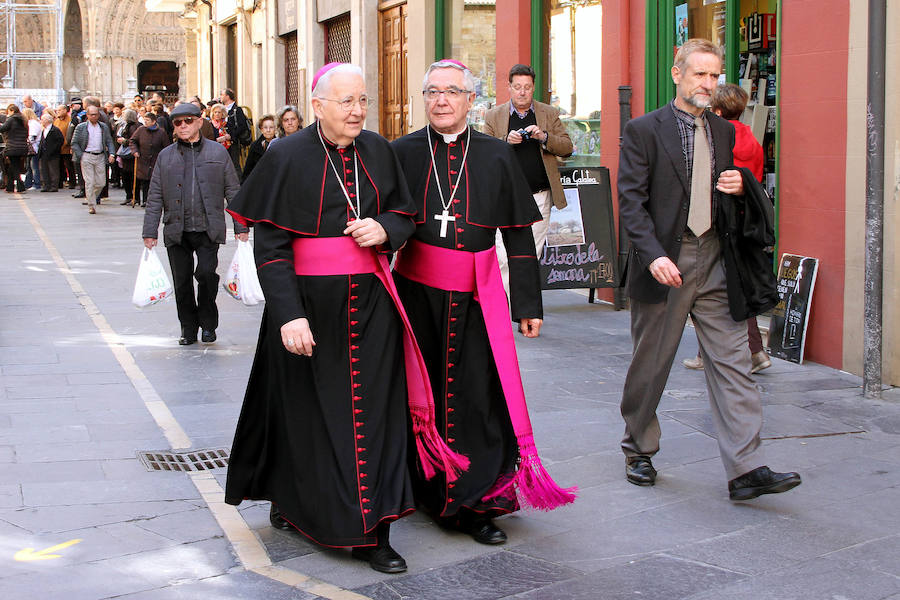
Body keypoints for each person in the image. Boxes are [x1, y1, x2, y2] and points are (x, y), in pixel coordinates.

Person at [223, 63, 463, 575]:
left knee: (374, 416)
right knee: (305, 415)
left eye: (362, 101)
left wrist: (386, 229)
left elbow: (405, 213)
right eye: (346, 101)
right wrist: (288, 315)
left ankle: (373, 531)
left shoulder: (378, 149)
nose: (357, 111)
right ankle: (293, 499)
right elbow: (270, 245)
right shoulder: (285, 155)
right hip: (307, 310)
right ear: (318, 106)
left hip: (374, 306)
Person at [391, 59, 576, 545]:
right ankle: (422, 488)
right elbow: (385, 224)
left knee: (476, 395)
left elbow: (517, 235)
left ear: (471, 100)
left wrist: (528, 306)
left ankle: (474, 501)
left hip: (476, 298)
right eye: (432, 92)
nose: (441, 101)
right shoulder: (403, 152)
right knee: (417, 393)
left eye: (451, 92)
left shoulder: (496, 156)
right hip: (415, 297)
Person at [616, 39, 800, 501]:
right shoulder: (643, 130)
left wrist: (739, 186)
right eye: (700, 74)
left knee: (734, 364)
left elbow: (715, 189)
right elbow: (631, 202)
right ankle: (638, 448)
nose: (709, 84)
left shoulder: (723, 131)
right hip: (665, 263)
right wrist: (653, 254)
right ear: (677, 74)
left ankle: (746, 467)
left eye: (715, 76)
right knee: (651, 363)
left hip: (716, 260)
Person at [141, 103, 249, 345]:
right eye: (178, 123)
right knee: (182, 282)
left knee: (206, 275)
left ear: (200, 122)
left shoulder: (218, 153)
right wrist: (150, 231)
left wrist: (241, 226)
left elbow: (233, 190)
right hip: (176, 228)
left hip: (208, 227)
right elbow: (155, 194)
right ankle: (188, 329)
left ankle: (208, 325)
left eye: (188, 121)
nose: (183, 126)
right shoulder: (166, 156)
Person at [683, 82, 771, 374]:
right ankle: (755, 351)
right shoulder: (754, 142)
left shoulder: (719, 138)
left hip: (721, 222)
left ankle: (708, 353)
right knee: (734, 287)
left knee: (708, 288)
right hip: (745, 220)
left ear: (717, 110)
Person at [484, 64, 574, 292]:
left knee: (529, 255)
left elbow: (566, 147)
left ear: (533, 88)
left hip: (539, 195)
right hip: (505, 196)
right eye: (517, 87)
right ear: (509, 88)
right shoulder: (494, 116)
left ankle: (526, 310)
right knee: (503, 255)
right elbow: (482, 153)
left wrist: (544, 136)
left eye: (527, 87)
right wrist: (505, 142)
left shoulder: (548, 113)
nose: (522, 92)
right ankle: (505, 308)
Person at [70, 105, 115, 214]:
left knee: (101, 182)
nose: (94, 116)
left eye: (96, 114)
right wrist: (81, 155)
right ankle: (92, 205)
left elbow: (109, 140)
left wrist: (112, 154)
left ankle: (91, 197)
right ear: (87, 115)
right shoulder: (81, 127)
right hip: (87, 156)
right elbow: (74, 143)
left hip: (100, 156)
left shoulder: (103, 127)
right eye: (92, 114)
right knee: (89, 182)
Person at [128, 112, 170, 208]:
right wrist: (134, 151)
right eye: (144, 120)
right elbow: (132, 141)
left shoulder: (161, 132)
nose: (145, 122)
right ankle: (145, 200)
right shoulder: (141, 130)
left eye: (147, 120)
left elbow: (166, 146)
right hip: (143, 159)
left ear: (154, 121)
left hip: (156, 159)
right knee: (145, 180)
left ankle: (152, 200)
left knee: (153, 180)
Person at [219, 88, 250, 171]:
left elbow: (242, 126)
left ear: (228, 96)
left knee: (234, 165)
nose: (220, 97)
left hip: (233, 143)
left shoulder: (237, 110)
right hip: (222, 142)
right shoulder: (221, 109)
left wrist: (231, 136)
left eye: (222, 94)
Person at [0, 104, 29, 193]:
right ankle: (10, 187)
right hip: (22, 147)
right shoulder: (23, 120)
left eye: (8, 112)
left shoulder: (12, 119)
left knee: (15, 167)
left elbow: (2, 129)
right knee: (12, 167)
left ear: (12, 111)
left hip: (13, 147)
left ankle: (21, 186)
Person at [240, 113, 275, 182]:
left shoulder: (279, 144)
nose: (268, 130)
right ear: (261, 130)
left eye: (271, 127)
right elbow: (248, 168)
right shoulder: (255, 146)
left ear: (275, 129)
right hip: (259, 182)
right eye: (265, 127)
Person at [116, 109, 141, 205]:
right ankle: (129, 196)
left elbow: (135, 140)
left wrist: (125, 141)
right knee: (126, 176)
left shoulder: (136, 126)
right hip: (125, 154)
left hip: (131, 154)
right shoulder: (124, 125)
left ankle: (135, 197)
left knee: (133, 176)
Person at [37, 113, 63, 192]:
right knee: (44, 170)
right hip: (44, 154)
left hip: (53, 154)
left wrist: (54, 150)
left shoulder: (55, 130)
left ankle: (54, 186)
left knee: (53, 170)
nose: (41, 121)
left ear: (47, 120)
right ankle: (46, 185)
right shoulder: (44, 130)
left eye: (42, 120)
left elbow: (60, 141)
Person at [54, 105, 75, 189]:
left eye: (59, 110)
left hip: (67, 147)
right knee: (59, 166)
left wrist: (68, 144)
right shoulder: (56, 121)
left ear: (65, 110)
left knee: (69, 166)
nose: (57, 111)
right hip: (58, 147)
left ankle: (72, 182)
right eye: (57, 110)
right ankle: (60, 182)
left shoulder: (70, 120)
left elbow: (70, 134)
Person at [22, 108, 42, 190]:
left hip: (33, 148)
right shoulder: (34, 123)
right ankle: (28, 183)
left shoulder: (33, 123)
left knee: (34, 167)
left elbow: (32, 136)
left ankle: (36, 184)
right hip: (33, 148)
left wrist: (26, 142)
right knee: (30, 167)